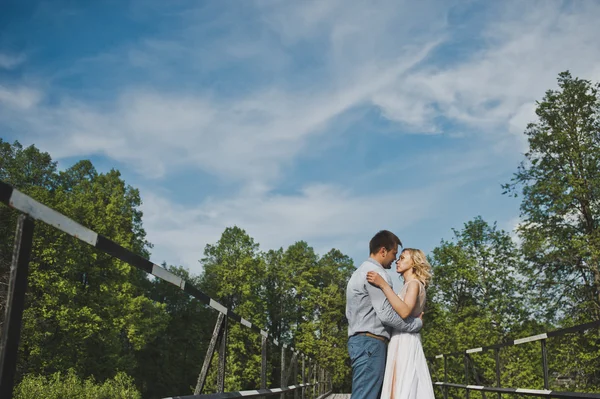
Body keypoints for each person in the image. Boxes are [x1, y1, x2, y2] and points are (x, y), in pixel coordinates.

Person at [346, 231, 423, 399]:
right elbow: (387, 314)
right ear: (383, 251)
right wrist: (415, 325)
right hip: (371, 343)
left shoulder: (358, 272)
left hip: (359, 341)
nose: (395, 259)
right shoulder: (376, 274)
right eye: (394, 253)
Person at [366, 248, 435, 399]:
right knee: (397, 385)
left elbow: (404, 311)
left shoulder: (414, 284)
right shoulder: (409, 285)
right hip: (401, 338)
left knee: (401, 386)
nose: (398, 261)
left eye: (403, 258)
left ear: (414, 263)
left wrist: (383, 285)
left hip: (405, 339)